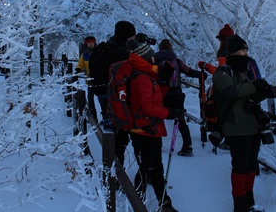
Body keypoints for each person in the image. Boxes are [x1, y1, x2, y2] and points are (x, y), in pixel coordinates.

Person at [212, 34, 273, 212]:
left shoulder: (244, 73)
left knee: (251, 166)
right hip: (235, 127)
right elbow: (230, 91)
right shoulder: (222, 72)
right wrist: (255, 86)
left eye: (246, 50)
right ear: (232, 52)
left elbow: (249, 95)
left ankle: (249, 200)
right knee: (240, 166)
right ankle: (240, 205)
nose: (245, 54)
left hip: (252, 127)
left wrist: (262, 91)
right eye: (242, 50)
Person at [126, 39, 181, 212]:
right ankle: (158, 204)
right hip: (144, 130)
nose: (154, 60)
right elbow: (147, 107)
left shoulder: (147, 75)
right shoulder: (142, 78)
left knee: (149, 167)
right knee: (151, 168)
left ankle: (144, 201)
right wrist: (169, 113)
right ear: (145, 58)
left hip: (148, 128)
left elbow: (155, 99)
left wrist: (163, 83)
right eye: (152, 57)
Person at [88, 20, 136, 164]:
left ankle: (113, 162)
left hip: (102, 91)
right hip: (115, 96)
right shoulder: (121, 52)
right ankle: (115, 168)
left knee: (112, 124)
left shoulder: (105, 47)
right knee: (119, 131)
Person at [153, 39, 206, 157]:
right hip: (176, 94)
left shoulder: (155, 60)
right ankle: (187, 146)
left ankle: (157, 144)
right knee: (180, 119)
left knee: (157, 117)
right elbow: (188, 71)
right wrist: (202, 75)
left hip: (161, 94)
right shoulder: (176, 61)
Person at [75, 36, 97, 119]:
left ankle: (105, 117)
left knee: (102, 99)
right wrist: (78, 69)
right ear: (86, 44)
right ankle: (93, 116)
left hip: (100, 80)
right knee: (90, 99)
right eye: (89, 43)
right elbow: (81, 64)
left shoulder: (99, 52)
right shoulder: (85, 54)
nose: (91, 45)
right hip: (90, 80)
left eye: (92, 43)